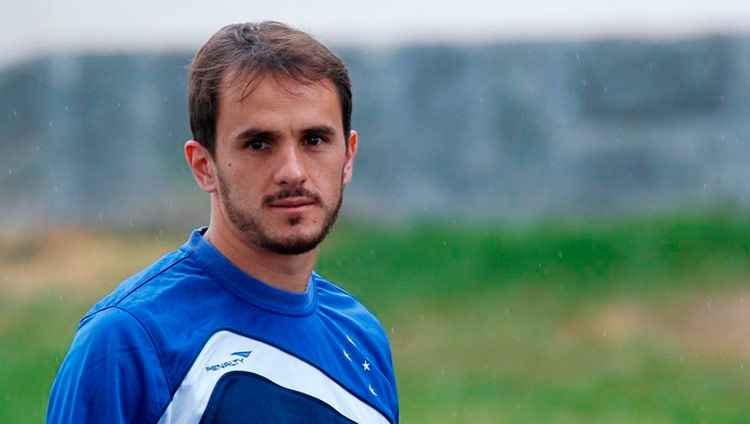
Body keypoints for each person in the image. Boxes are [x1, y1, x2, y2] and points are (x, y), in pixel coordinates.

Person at [47, 21, 399, 423]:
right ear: (203, 165)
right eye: (259, 143)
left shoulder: (363, 337)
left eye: (314, 140)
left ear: (348, 156)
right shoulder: (127, 343)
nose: (293, 171)